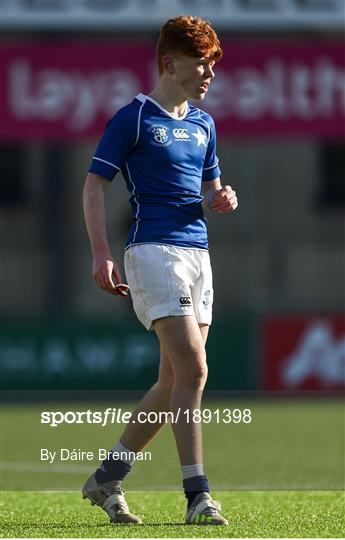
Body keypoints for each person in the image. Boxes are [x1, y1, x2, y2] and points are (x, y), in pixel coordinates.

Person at [82, 14, 238, 526]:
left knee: (174, 380)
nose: (209, 73)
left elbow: (212, 186)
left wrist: (221, 197)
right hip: (153, 252)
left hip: (198, 254)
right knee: (194, 370)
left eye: (213, 63)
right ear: (170, 63)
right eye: (201, 63)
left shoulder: (203, 124)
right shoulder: (134, 117)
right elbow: (93, 186)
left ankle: (107, 477)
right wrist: (102, 253)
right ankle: (197, 494)